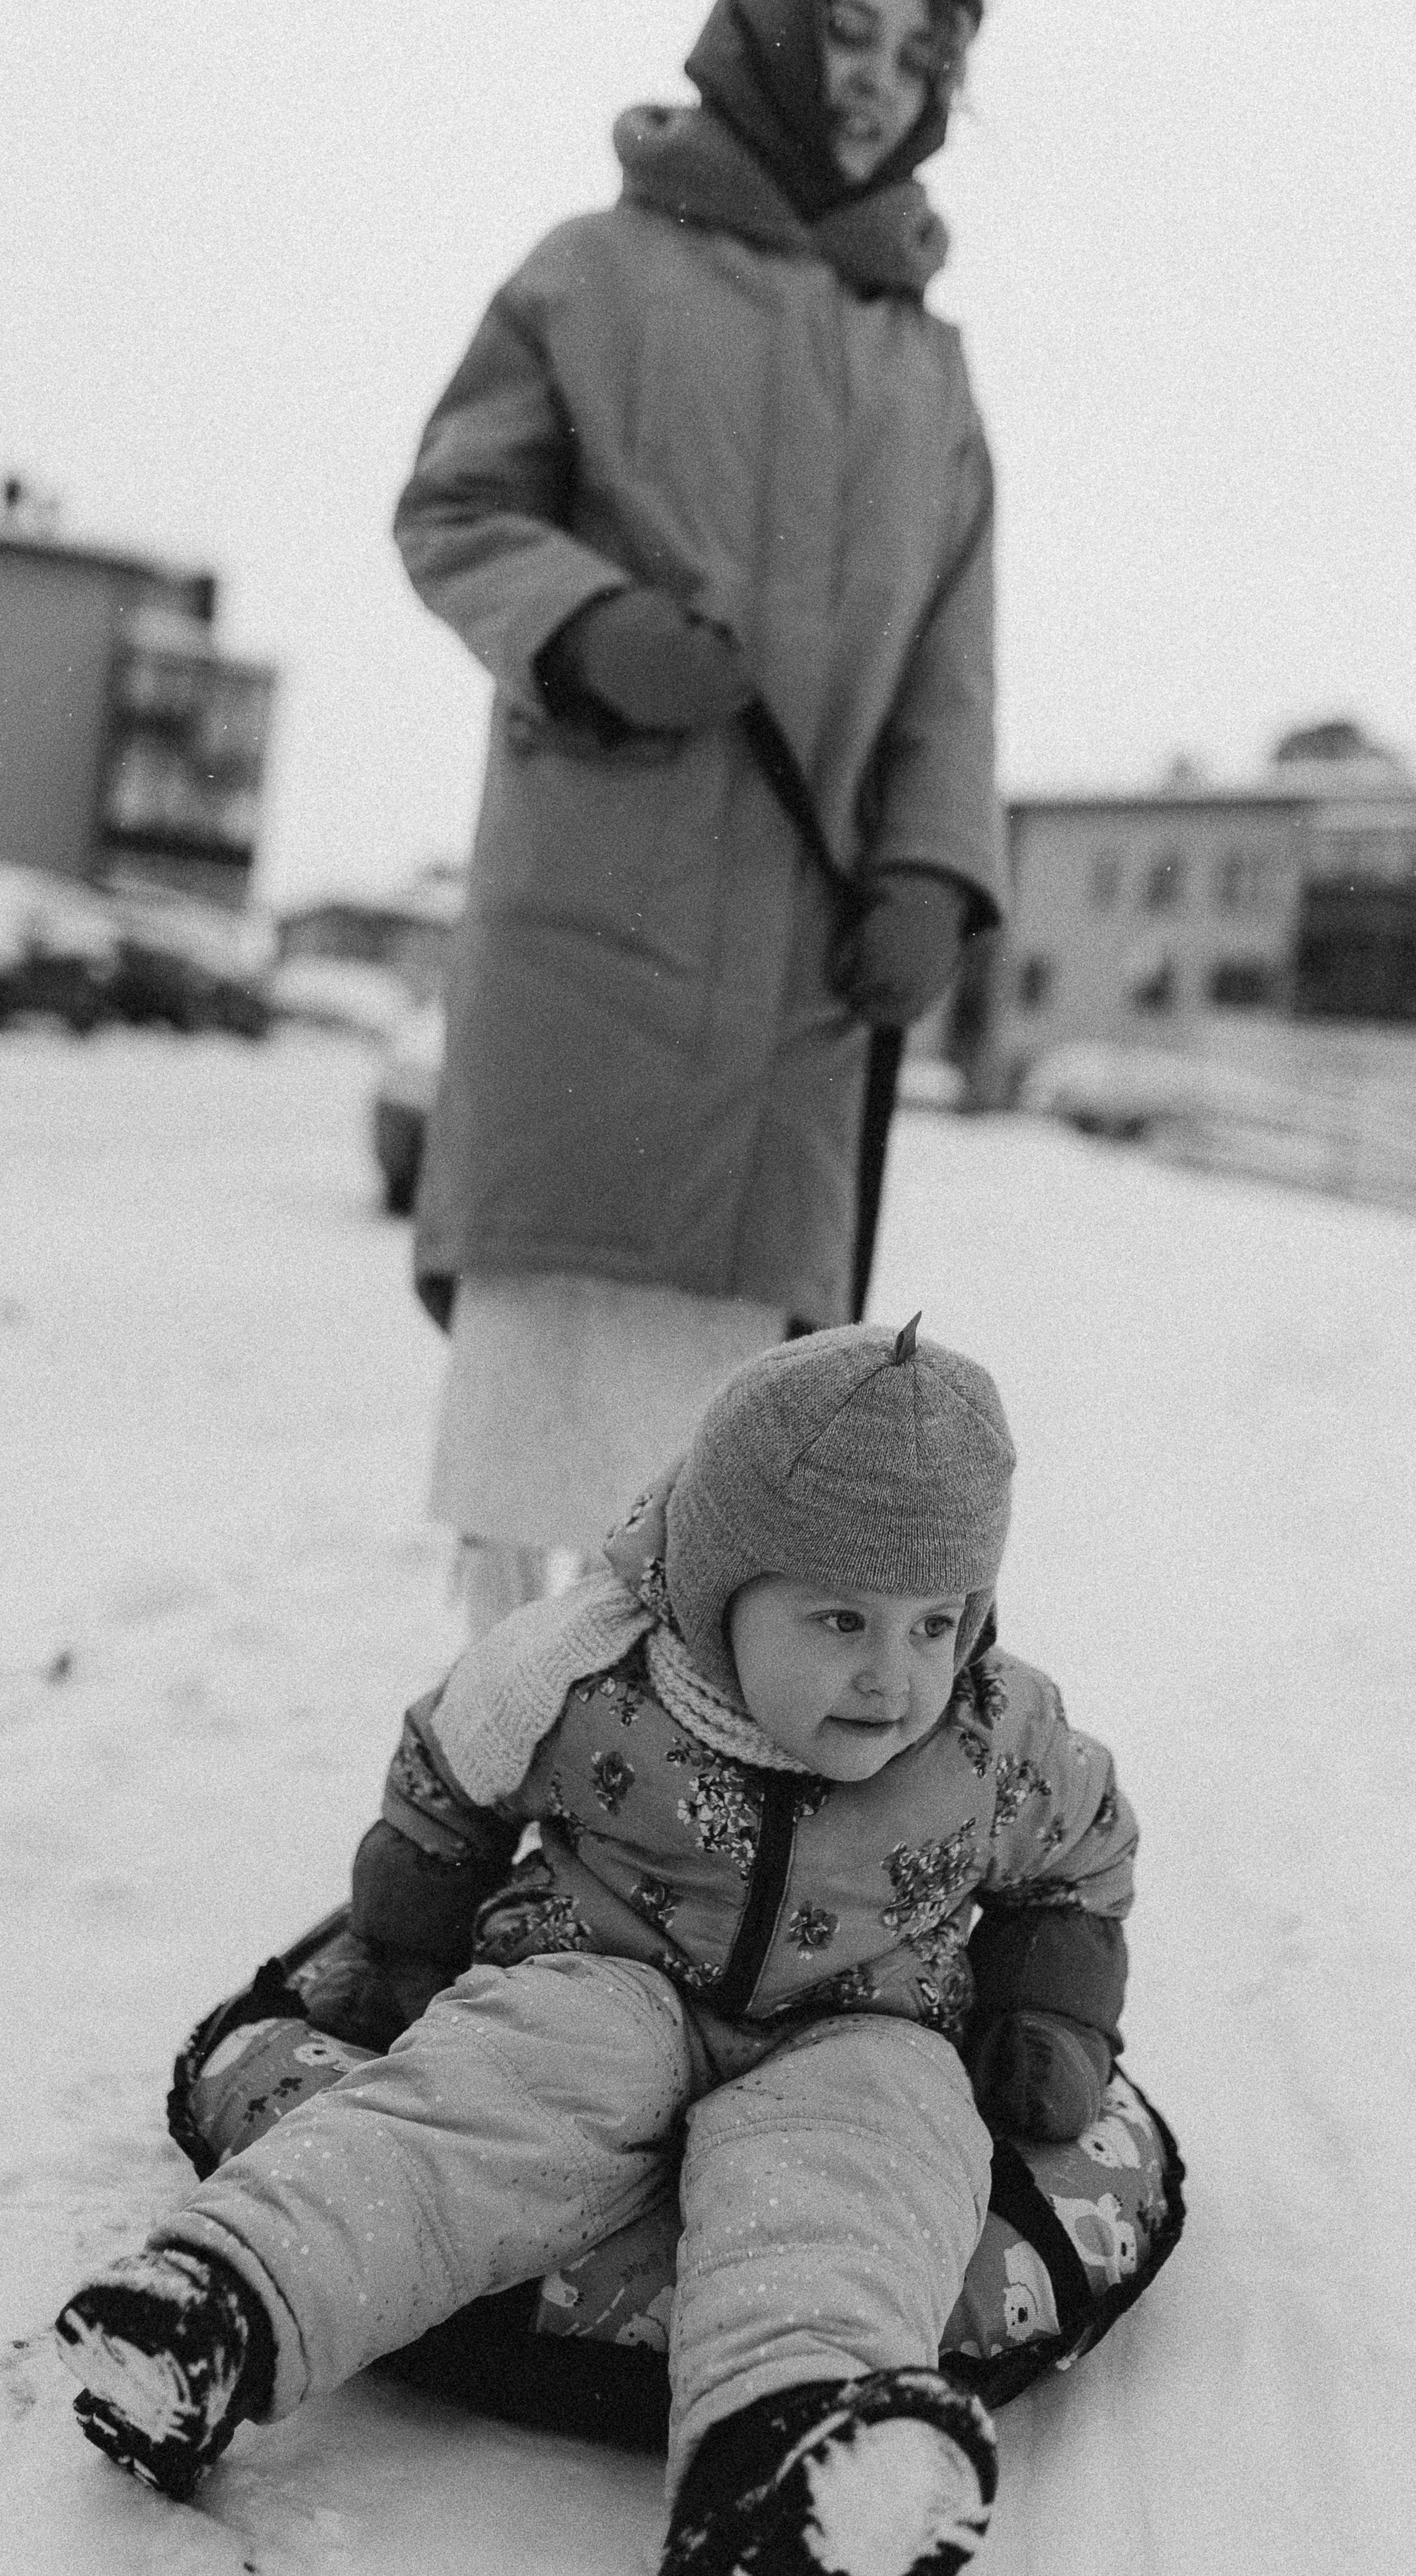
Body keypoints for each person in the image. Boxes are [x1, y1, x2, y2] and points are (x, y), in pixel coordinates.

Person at [56, 1320, 1139, 2576]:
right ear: (716, 1586)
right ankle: (219, 2309)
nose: (892, 1673)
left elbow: (1086, 1860)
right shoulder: (593, 1671)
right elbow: (447, 1771)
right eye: (840, 1620)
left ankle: (779, 2471)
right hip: (602, 1974)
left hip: (865, 2023)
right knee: (481, 2107)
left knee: (870, 2171)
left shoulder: (996, 1735)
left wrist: (1048, 2019)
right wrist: (404, 1953)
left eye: (936, 1623)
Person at [392, 0, 1007, 1633]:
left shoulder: (927, 368)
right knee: (540, 1456)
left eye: (918, 53)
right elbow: (454, 503)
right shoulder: (588, 273)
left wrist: (936, 869)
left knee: (737, 1499)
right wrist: (583, 627)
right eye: (849, 33)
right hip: (591, 948)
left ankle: (667, 1845)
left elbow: (953, 667)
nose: (878, 83)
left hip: (795, 1009)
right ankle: (502, 1796)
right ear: (766, 37)